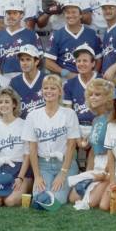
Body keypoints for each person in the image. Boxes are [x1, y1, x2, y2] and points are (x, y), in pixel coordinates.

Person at [23, 74, 80, 204]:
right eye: (46, 88)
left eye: (53, 88)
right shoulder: (33, 115)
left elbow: (71, 146)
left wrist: (63, 173)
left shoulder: (69, 114)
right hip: (43, 165)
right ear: (41, 91)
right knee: (39, 198)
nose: (49, 91)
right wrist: (37, 176)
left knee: (56, 200)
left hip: (65, 164)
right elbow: (32, 148)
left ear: (60, 91)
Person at [68, 78, 114, 208]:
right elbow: (93, 151)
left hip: (110, 166)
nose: (93, 97)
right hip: (97, 164)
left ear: (107, 97)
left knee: (90, 202)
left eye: (98, 94)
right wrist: (87, 175)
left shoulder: (112, 119)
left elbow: (115, 150)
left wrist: (105, 172)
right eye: (91, 94)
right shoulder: (95, 120)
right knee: (73, 198)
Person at [0, 88, 33, 207]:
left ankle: (29, 186)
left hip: (20, 170)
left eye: (7, 102)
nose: (3, 105)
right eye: (0, 102)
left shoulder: (24, 124)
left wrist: (20, 178)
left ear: (14, 104)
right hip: (0, 170)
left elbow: (27, 155)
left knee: (10, 201)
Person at [45, 0, 102, 78]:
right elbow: (48, 62)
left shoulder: (92, 34)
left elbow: (98, 59)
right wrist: (65, 73)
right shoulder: (57, 35)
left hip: (88, 78)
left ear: (81, 15)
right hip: (65, 78)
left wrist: (93, 75)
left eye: (74, 12)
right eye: (67, 12)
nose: (70, 15)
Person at [62, 44, 100, 162]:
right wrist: (77, 137)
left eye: (85, 60)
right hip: (77, 126)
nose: (81, 64)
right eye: (78, 61)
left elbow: (106, 113)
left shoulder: (101, 81)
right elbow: (68, 113)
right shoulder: (69, 84)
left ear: (93, 63)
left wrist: (93, 135)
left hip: (97, 126)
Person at [0, 0, 42, 80]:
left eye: (15, 13)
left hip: (26, 76)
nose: (11, 16)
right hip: (4, 76)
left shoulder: (31, 35)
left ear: (22, 15)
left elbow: (40, 59)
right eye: (8, 13)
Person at [9, 44, 45, 119]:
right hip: (23, 126)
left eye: (28, 59)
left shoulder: (47, 79)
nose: (24, 63)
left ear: (36, 61)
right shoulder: (14, 82)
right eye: (22, 60)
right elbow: (12, 110)